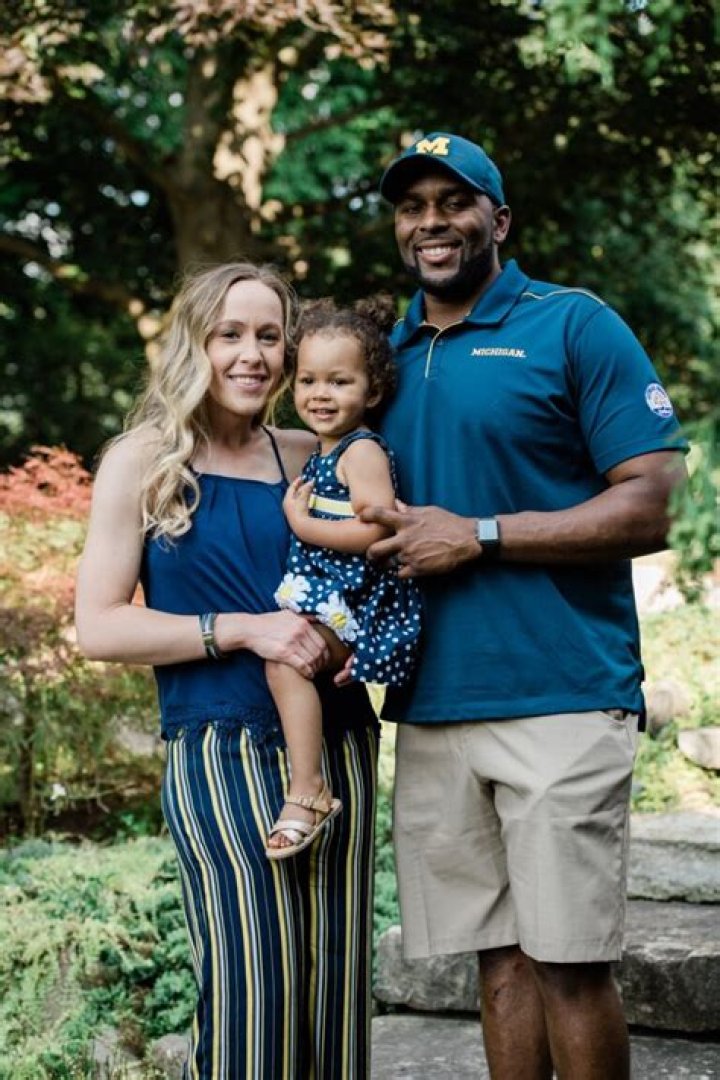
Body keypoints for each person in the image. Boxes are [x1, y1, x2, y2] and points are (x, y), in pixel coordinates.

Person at [362, 133, 688, 1080]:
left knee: (569, 965)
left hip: (561, 693)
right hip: (432, 705)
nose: (431, 222)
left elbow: (657, 501)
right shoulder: (381, 357)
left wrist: (483, 534)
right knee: (497, 964)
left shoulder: (574, 325)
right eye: (412, 206)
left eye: (453, 202)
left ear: (497, 220)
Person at [75, 262, 378, 1079]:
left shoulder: (313, 455)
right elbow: (98, 625)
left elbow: (372, 568)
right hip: (219, 751)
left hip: (339, 748)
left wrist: (360, 632)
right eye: (229, 335)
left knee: (337, 997)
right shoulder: (143, 462)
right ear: (193, 343)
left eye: (269, 336)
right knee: (254, 1005)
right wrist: (245, 629)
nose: (252, 355)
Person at [266, 297, 421, 859]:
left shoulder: (362, 451)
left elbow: (377, 530)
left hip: (355, 601)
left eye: (339, 381)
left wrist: (303, 525)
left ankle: (308, 790)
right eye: (308, 380)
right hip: (333, 593)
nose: (320, 394)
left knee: (284, 661)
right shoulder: (325, 451)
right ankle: (307, 783)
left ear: (372, 392)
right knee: (284, 662)